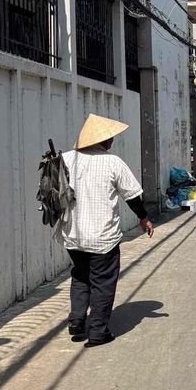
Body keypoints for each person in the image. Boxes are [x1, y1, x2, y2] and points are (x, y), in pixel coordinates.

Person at [62, 114, 154, 347]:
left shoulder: (64, 159)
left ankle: (76, 321)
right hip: (102, 237)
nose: (112, 140)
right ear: (102, 140)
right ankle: (97, 332)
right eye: (109, 137)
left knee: (80, 276)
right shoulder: (112, 162)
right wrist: (143, 218)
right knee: (102, 282)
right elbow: (132, 196)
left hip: (72, 235)